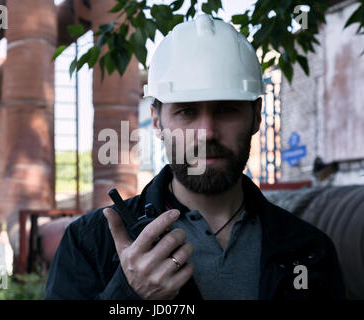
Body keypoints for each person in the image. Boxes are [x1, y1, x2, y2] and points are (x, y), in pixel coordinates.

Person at [45, 14, 345, 300]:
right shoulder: (89, 244)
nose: (206, 132)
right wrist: (129, 294)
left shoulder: (308, 250)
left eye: (226, 109)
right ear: (158, 121)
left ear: (256, 116)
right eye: (187, 111)